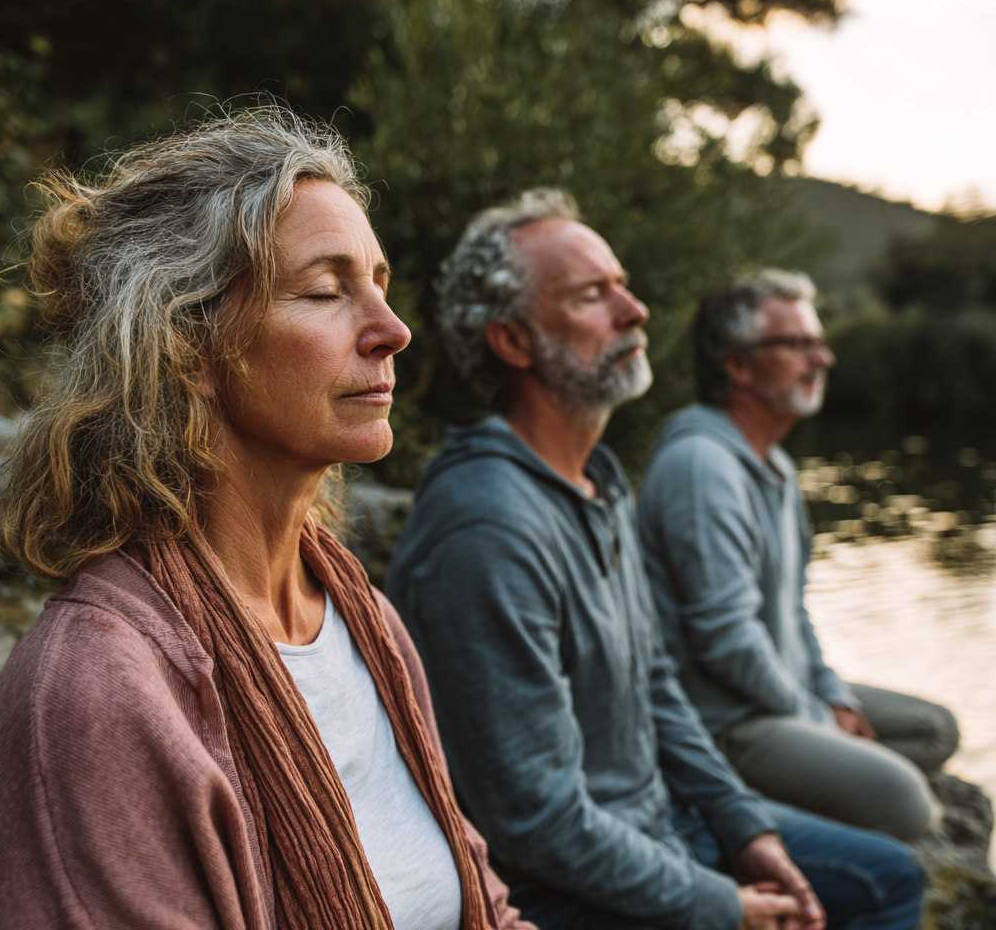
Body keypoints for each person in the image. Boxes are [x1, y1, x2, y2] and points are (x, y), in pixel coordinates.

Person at [0, 109, 532, 930]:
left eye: (378, 283)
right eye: (324, 290)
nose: (392, 331)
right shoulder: (94, 695)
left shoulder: (365, 621)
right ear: (187, 348)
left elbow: (481, 899)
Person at [387, 189, 926, 930]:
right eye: (593, 295)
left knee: (889, 876)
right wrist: (721, 905)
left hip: (664, 820)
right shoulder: (487, 527)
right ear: (512, 343)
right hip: (563, 890)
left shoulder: (599, 480)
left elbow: (657, 684)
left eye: (622, 284)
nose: (634, 309)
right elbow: (535, 824)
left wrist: (747, 828)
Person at [638, 269, 960, 841]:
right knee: (908, 803)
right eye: (798, 345)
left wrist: (830, 692)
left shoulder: (776, 464)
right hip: (728, 719)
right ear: (737, 366)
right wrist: (818, 720)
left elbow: (794, 608)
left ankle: (823, 775)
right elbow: (724, 638)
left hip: (782, 693)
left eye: (819, 342)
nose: (822, 359)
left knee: (935, 730)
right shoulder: (701, 466)